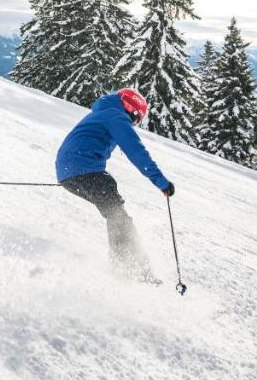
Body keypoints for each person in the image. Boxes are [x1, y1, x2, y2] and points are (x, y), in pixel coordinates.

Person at [55, 88, 175, 283]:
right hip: (81, 169)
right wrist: (161, 182)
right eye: (137, 119)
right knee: (117, 215)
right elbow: (136, 151)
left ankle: (129, 267)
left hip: (73, 170)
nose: (135, 124)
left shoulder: (105, 112)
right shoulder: (116, 117)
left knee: (111, 196)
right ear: (132, 110)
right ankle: (133, 271)